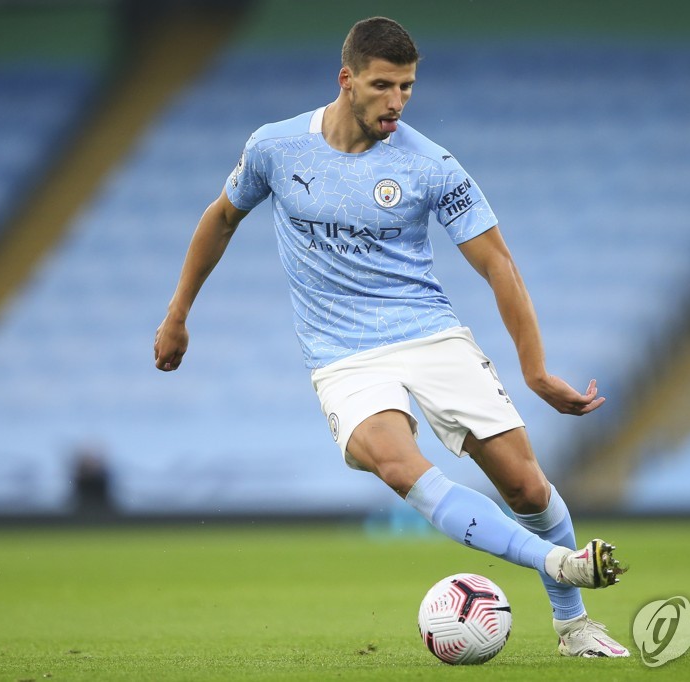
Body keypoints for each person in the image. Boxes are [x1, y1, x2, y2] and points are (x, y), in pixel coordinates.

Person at [153, 17, 629, 657]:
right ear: (346, 80)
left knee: (525, 487)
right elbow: (220, 217)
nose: (396, 102)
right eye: (382, 86)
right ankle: (558, 566)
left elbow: (497, 264)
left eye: (406, 87)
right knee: (400, 464)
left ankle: (575, 627)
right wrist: (178, 312)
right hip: (342, 356)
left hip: (429, 336)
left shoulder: (430, 164)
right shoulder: (276, 148)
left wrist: (536, 369)